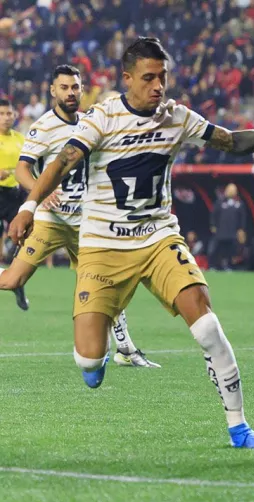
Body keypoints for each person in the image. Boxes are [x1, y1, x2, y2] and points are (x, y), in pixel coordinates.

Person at [7, 37, 254, 450]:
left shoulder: (178, 117)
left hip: (158, 238)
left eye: (163, 77)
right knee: (88, 363)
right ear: (128, 79)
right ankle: (99, 350)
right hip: (102, 244)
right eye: (149, 78)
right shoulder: (101, 118)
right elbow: (63, 161)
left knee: (207, 324)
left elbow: (230, 140)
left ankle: (239, 428)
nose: (158, 86)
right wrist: (29, 206)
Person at [0, 65, 160, 369]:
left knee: (106, 282)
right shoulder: (42, 127)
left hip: (88, 221)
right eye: (64, 87)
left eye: (75, 87)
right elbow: (23, 168)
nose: (71, 93)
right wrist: (40, 192)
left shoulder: (91, 122)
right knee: (12, 279)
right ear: (53, 91)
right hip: (51, 219)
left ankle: (125, 349)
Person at [0, 97, 29, 310]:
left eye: (8, 113)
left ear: (15, 115)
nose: (5, 118)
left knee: (25, 236)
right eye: (1, 114)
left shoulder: (21, 139)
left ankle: (16, 279)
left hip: (15, 194)